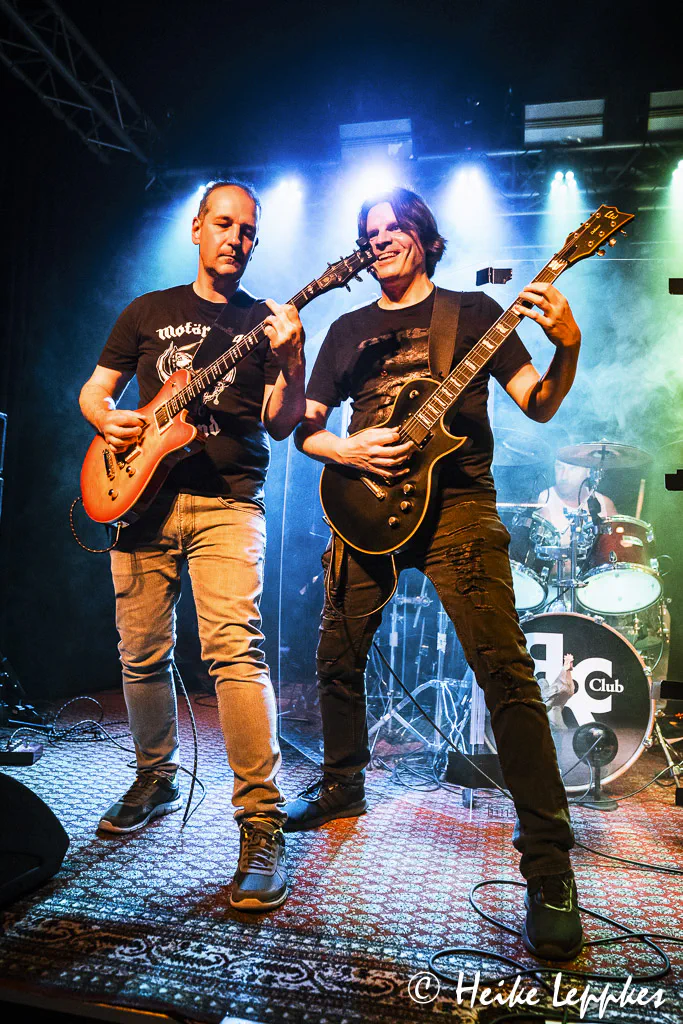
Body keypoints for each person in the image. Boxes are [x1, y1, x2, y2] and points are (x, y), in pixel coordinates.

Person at [287, 186, 584, 960]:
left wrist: (567, 346)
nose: (381, 239)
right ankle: (341, 784)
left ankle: (548, 869)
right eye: (370, 232)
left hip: (457, 508)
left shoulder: (474, 313)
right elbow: (305, 430)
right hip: (361, 505)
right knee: (335, 657)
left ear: (424, 237)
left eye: (394, 227)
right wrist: (345, 447)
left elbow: (537, 403)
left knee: (506, 677)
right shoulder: (346, 330)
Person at [79, 180, 305, 912]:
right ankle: (155, 777)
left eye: (248, 230)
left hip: (227, 500)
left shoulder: (262, 323)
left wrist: (293, 359)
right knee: (140, 652)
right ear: (198, 228)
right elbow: (94, 391)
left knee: (234, 652)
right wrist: (108, 421)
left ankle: (262, 822)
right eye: (225, 224)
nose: (237, 238)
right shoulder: (147, 311)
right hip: (140, 499)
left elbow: (281, 423)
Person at [537, 459, 616, 540]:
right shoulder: (545, 499)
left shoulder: (604, 503)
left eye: (573, 468)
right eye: (559, 467)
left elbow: (616, 540)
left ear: (588, 471)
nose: (564, 477)